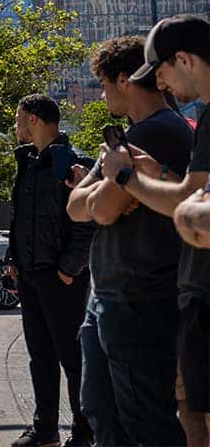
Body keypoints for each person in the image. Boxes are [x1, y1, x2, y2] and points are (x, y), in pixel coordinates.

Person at [65, 36, 189, 446]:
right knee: (102, 412)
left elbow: (100, 210)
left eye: (103, 85)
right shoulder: (125, 139)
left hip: (142, 297)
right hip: (109, 296)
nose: (101, 95)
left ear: (124, 80)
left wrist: (108, 190)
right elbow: (75, 206)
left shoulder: (157, 133)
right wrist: (111, 189)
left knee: (145, 421)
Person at [102, 15, 210, 447]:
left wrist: (125, 177)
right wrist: (157, 174)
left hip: (189, 294)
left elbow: (188, 205)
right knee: (190, 417)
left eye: (160, 72)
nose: (160, 84)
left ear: (184, 60)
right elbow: (189, 194)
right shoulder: (202, 119)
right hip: (193, 294)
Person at [6, 94, 95, 447]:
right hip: (30, 274)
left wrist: (69, 269)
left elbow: (87, 225)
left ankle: (83, 433)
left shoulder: (73, 164)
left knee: (73, 359)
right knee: (40, 356)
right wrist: (13, 260)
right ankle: (45, 432)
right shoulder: (27, 163)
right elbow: (20, 219)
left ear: (33, 119)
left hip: (61, 277)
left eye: (18, 117)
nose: (15, 125)